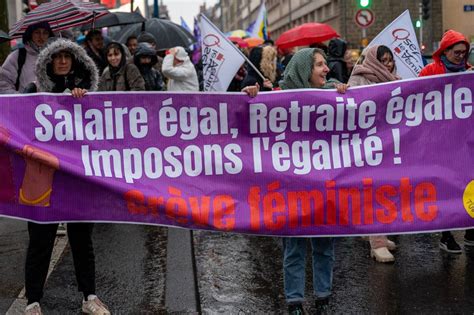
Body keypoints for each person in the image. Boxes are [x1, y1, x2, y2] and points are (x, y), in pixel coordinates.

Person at [22, 38, 110, 315]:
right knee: (40, 239)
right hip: (44, 177)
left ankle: (90, 297)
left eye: (67, 57)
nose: (62, 61)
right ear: (48, 61)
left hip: (77, 179)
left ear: (75, 60)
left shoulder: (88, 94)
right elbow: (19, 124)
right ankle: (33, 301)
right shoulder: (32, 91)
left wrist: (84, 103)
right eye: (56, 56)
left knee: (82, 240)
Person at [279, 48, 347, 315]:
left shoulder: (334, 93)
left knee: (324, 247)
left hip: (323, 188)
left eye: (326, 64)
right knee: (294, 249)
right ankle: (294, 302)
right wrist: (250, 95)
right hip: (291, 189)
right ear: (304, 69)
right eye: (319, 65)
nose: (327, 69)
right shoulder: (277, 97)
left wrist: (348, 96)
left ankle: (323, 298)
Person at [419, 29, 474, 253]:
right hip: (439, 140)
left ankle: (470, 229)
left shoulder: (469, 73)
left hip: (464, 140)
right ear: (445, 50)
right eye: (456, 52)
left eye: (464, 53)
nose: (460, 56)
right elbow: (413, 98)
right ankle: (446, 234)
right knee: (445, 186)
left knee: (469, 181)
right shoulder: (430, 71)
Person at [348, 45, 401, 263]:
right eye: (383, 59)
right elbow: (350, 108)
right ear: (373, 59)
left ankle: (380, 234)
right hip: (369, 144)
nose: (387, 64)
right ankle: (377, 243)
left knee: (387, 189)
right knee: (373, 191)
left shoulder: (395, 78)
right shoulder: (360, 78)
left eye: (390, 59)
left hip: (390, 143)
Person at [0, 21, 54, 94]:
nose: (41, 36)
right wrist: (22, 98)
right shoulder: (17, 56)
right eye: (37, 32)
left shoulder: (55, 56)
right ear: (30, 34)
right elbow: (4, 84)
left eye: (45, 33)